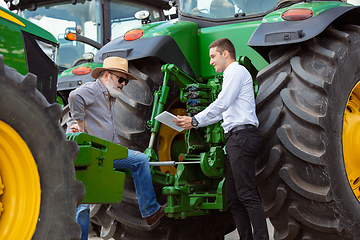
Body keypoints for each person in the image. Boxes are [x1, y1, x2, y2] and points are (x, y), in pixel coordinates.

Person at [173, 38, 269, 240]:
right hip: (235, 140)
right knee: (233, 198)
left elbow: (223, 102)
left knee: (247, 194)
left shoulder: (235, 71)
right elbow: (221, 112)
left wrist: (195, 119)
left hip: (242, 137)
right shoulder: (230, 75)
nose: (211, 62)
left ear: (226, 54)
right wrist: (194, 122)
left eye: (213, 56)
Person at [67, 57, 166, 239]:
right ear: (106, 75)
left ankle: (151, 212)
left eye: (126, 82)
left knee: (140, 159)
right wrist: (80, 125)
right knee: (82, 204)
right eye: (120, 79)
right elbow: (74, 96)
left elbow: (109, 132)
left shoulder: (110, 97)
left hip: (106, 153)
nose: (123, 84)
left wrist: (125, 151)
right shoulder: (93, 90)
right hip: (89, 154)